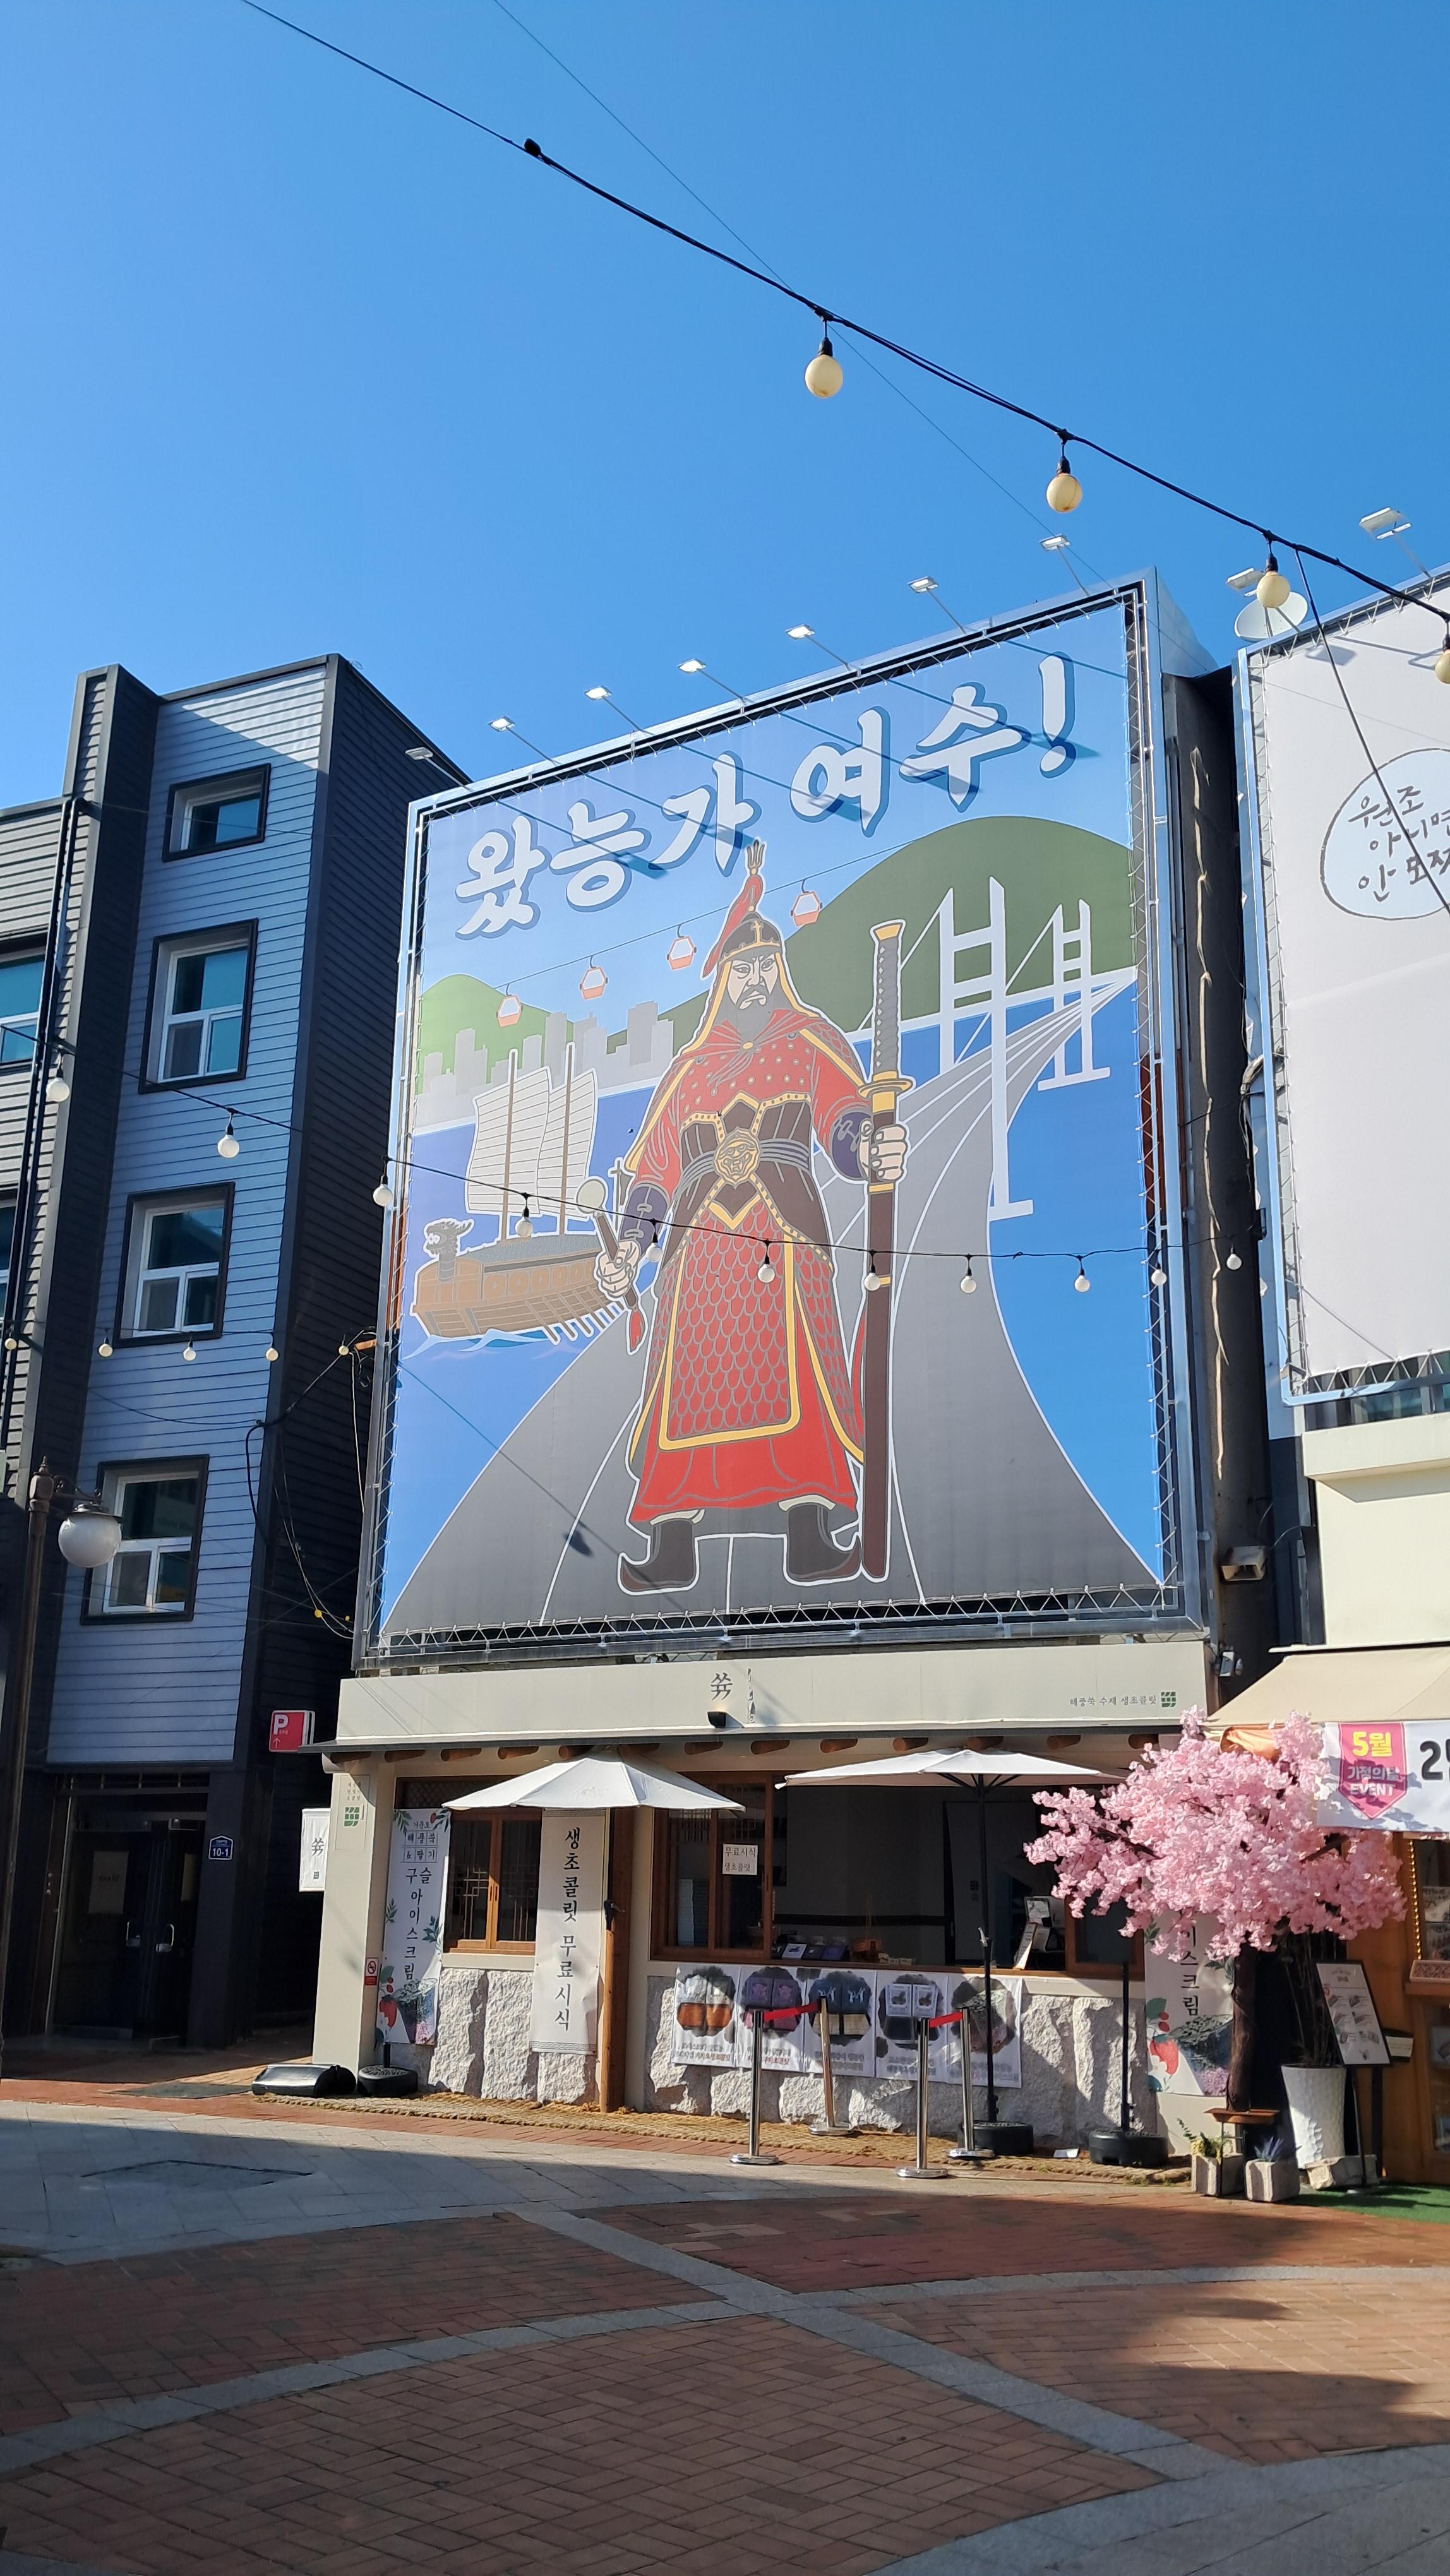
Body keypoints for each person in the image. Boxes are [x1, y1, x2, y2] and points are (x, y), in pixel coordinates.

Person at [593, 845, 906, 1592]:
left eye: (767, 965)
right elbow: (654, 1174)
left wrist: (870, 1148)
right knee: (686, 1392)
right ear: (723, 980)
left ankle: (810, 1535)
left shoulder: (807, 1043)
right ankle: (671, 1545)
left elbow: (841, 1122)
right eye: (744, 968)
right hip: (698, 1258)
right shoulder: (689, 1071)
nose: (756, 979)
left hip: (783, 1238)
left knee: (797, 1377)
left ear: (780, 972)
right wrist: (629, 1250)